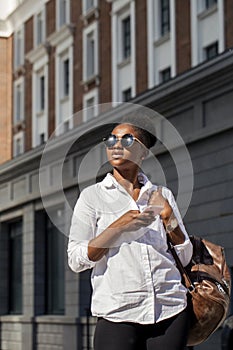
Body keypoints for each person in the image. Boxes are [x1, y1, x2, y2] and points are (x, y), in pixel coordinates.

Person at [68, 115, 193, 350]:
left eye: (127, 140)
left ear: (143, 152)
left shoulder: (162, 194)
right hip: (118, 313)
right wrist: (118, 228)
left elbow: (184, 256)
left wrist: (169, 218)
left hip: (171, 309)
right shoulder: (92, 197)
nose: (116, 145)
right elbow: (76, 260)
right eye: (111, 140)